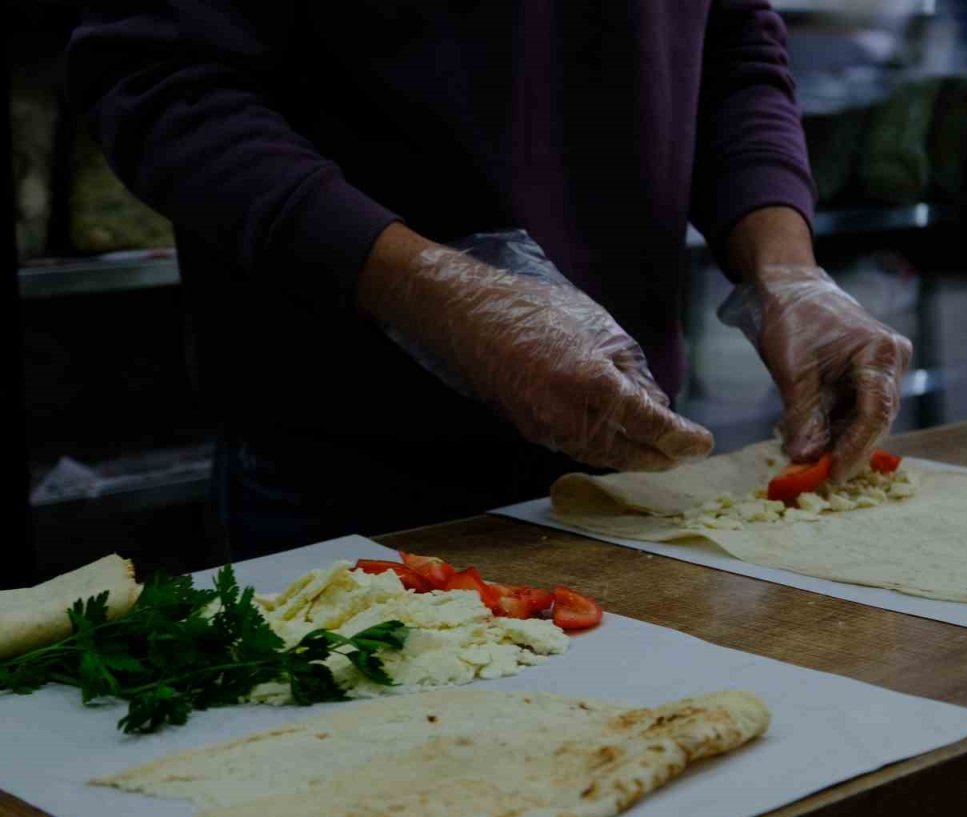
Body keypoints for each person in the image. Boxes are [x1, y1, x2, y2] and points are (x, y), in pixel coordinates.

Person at [66, 2, 912, 559]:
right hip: (343, 470)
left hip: (632, 472)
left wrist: (787, 274)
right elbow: (157, 76)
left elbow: (729, 46)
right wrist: (432, 288)